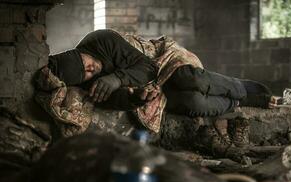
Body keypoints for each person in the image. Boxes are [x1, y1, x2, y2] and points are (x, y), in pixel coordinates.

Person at [35, 29, 273, 134]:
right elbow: (115, 101)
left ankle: (244, 88)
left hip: (160, 59)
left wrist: (116, 77)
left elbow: (149, 67)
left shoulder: (101, 40)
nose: (90, 70)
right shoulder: (90, 83)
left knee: (188, 78)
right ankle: (241, 102)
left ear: (78, 52)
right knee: (193, 103)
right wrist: (135, 98)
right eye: (86, 75)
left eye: (85, 63)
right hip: (152, 87)